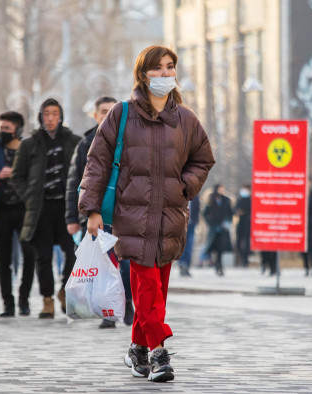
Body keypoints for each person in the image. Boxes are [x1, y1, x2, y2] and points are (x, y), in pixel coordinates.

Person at [79, 45, 214, 382]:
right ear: (143, 73)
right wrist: (91, 208)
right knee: (146, 287)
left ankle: (136, 347)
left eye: (170, 67)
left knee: (157, 291)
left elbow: (203, 158)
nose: (166, 74)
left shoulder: (184, 118)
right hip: (132, 216)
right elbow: (96, 162)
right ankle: (158, 353)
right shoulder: (121, 114)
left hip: (170, 216)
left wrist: (185, 185)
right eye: (158, 68)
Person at [64, 96, 135, 329]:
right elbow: (77, 180)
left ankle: (125, 301)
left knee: (125, 263)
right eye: (102, 111)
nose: (107, 115)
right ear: (95, 115)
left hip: (125, 211)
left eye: (111, 110)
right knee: (104, 261)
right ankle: (107, 310)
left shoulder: (130, 139)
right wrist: (73, 217)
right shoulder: (86, 143)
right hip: (97, 212)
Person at [11, 98, 81, 319]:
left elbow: (83, 174)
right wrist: (29, 197)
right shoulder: (29, 144)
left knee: (72, 253)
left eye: (54, 113)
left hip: (67, 207)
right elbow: (16, 177)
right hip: (40, 209)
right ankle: (47, 300)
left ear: (60, 116)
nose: (50, 118)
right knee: (43, 256)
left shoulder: (73, 142)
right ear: (40, 116)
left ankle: (63, 291)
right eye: (46, 113)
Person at [0, 111, 32, 317]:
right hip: (1, 209)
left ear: (18, 130)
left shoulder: (28, 148)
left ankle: (24, 299)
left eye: (7, 128)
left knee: (28, 256)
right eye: (0, 128)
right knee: (3, 258)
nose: (2, 132)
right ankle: (8, 302)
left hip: (24, 210)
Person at [203, 184, 233, 277]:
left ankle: (219, 266)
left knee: (221, 248)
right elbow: (205, 213)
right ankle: (217, 264)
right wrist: (210, 223)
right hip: (214, 228)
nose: (221, 191)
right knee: (214, 248)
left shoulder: (226, 200)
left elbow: (230, 212)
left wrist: (228, 222)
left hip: (223, 228)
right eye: (220, 189)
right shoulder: (211, 200)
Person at [179, 193, 200, 277]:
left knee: (190, 246)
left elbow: (197, 209)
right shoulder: (180, 194)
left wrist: (196, 221)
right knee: (182, 245)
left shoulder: (195, 195)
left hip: (191, 225)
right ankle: (182, 264)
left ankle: (187, 266)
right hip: (182, 225)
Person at [235, 185, 252, 267]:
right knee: (238, 243)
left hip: (248, 224)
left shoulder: (251, 200)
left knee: (246, 243)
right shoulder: (239, 200)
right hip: (240, 223)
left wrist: (245, 212)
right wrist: (238, 212)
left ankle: (246, 260)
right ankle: (242, 258)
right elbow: (235, 209)